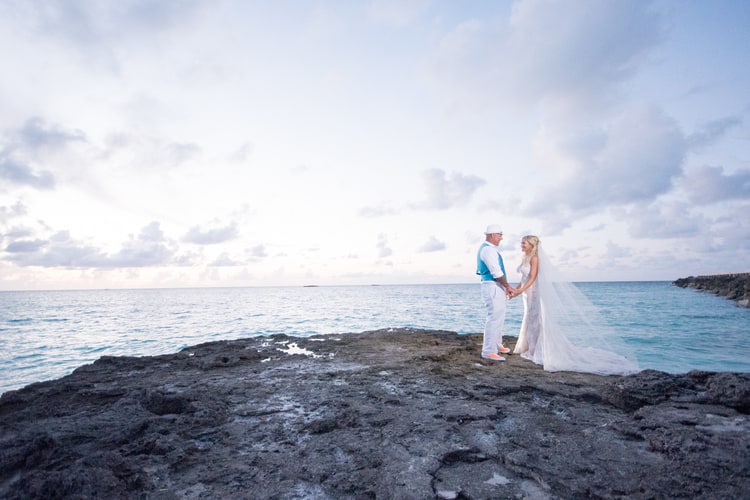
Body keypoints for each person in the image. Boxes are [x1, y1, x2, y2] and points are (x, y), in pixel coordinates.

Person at [510, 235, 639, 375]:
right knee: (528, 318)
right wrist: (516, 290)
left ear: (531, 244)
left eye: (524, 243)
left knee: (535, 319)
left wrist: (521, 290)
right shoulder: (526, 257)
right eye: (522, 243)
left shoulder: (535, 258)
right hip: (526, 293)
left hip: (533, 292)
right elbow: (524, 278)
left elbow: (533, 277)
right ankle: (527, 346)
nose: (521, 245)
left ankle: (536, 349)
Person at [476, 224, 515, 361]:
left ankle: (497, 345)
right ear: (492, 235)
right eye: (500, 235)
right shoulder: (488, 251)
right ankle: (488, 351)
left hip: (495, 286)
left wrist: (504, 288)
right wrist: (507, 286)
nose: (501, 238)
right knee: (494, 318)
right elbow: (496, 272)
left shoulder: (489, 249)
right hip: (492, 286)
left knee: (499, 316)